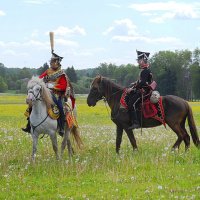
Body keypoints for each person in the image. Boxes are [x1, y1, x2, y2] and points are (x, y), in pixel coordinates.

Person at [22, 51, 75, 136]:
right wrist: (43, 83)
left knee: (60, 107)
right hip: (46, 93)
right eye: (50, 61)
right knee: (32, 103)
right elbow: (40, 79)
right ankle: (29, 125)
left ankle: (61, 127)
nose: (50, 63)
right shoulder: (48, 71)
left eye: (52, 62)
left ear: (57, 63)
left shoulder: (62, 74)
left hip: (57, 94)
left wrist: (52, 86)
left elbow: (63, 86)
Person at [127, 50, 153, 129]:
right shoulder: (145, 70)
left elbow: (143, 83)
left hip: (144, 91)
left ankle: (136, 123)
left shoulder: (145, 71)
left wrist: (132, 89)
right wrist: (135, 83)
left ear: (142, 61)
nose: (138, 62)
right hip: (143, 89)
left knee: (131, 104)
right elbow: (142, 81)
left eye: (139, 60)